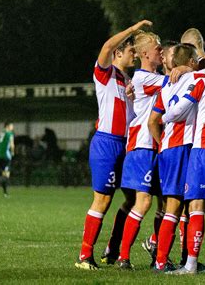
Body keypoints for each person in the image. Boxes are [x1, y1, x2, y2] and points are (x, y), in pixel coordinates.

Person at [148, 42, 205, 272]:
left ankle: (174, 261)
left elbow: (159, 118)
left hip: (185, 148)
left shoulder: (174, 83)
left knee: (182, 207)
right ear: (192, 61)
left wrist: (162, 141)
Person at [74, 19, 151, 271]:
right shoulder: (105, 73)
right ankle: (85, 256)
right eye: (131, 51)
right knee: (103, 200)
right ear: (119, 52)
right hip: (106, 143)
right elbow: (106, 46)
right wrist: (132, 30)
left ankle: (112, 249)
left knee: (133, 198)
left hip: (125, 145)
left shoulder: (128, 80)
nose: (135, 55)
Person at [115, 30, 187, 270]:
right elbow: (176, 81)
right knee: (143, 202)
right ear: (145, 54)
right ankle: (123, 257)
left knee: (165, 204)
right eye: (158, 48)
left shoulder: (150, 78)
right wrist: (187, 67)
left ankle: (159, 255)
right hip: (143, 146)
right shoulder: (143, 78)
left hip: (155, 148)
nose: (161, 51)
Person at [0, 121, 15, 197]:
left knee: (3, 174)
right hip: (6, 156)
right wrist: (13, 152)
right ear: (7, 126)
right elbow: (12, 144)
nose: (12, 127)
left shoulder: (0, 133)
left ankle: (5, 193)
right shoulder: (9, 134)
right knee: (6, 176)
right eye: (12, 126)